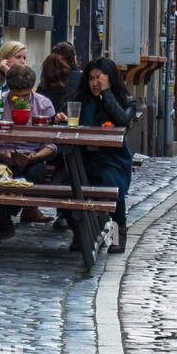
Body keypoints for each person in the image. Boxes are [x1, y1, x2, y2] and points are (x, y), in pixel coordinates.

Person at [0, 64, 56, 235]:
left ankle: (2, 220)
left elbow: (51, 144)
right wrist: (1, 154)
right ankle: (3, 221)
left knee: (35, 176)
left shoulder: (43, 105)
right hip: (0, 156)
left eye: (24, 95)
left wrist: (35, 156)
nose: (19, 100)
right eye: (15, 96)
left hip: (31, 157)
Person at [73, 58, 135, 255]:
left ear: (110, 79)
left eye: (99, 78)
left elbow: (122, 119)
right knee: (66, 182)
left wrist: (107, 93)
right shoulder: (80, 99)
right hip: (83, 157)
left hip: (112, 159)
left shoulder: (125, 101)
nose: (95, 83)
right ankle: (81, 233)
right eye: (91, 78)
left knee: (111, 183)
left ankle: (118, 233)